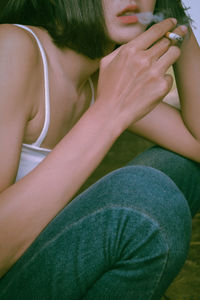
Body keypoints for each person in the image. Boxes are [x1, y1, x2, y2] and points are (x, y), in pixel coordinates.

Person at [0, 0, 200, 299]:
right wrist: (108, 113)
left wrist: (175, 27)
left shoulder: (96, 77)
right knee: (147, 194)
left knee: (182, 169)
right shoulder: (13, 47)